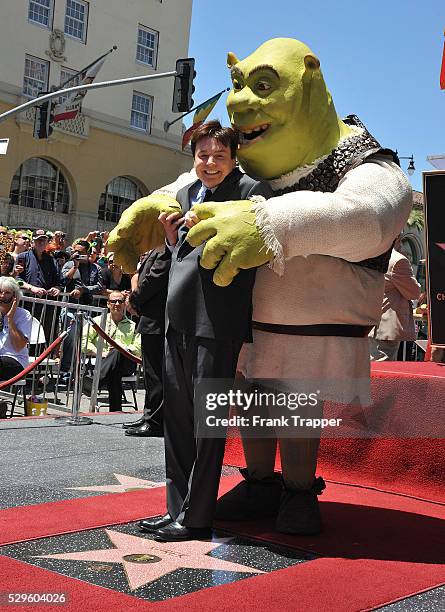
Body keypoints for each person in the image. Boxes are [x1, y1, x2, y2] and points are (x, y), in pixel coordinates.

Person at [108, 39, 413, 537]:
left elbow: (373, 215)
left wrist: (270, 224)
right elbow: (194, 184)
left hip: (311, 322)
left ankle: (297, 489)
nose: (241, 100)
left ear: (309, 78)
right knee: (251, 398)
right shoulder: (246, 158)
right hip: (239, 313)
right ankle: (259, 482)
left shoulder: (360, 157)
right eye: (238, 85)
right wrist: (146, 208)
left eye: (263, 85)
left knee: (295, 400)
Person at [138, 121, 273, 542]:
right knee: (176, 421)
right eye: (202, 155)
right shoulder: (183, 195)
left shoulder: (253, 193)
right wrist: (171, 236)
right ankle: (175, 509)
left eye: (218, 156)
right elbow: (180, 255)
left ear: (233, 157)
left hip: (218, 323)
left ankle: (197, 518)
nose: (209, 163)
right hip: (175, 317)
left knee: (206, 425)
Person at [124, 248, 170, 437]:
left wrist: (134, 299)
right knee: (150, 375)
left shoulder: (165, 249)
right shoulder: (156, 249)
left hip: (157, 320)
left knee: (156, 375)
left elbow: (154, 279)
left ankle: (156, 421)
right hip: (150, 319)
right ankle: (149, 416)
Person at [83, 290, 141, 412]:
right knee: (114, 372)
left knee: (118, 350)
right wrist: (99, 352)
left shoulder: (132, 325)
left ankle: (95, 381)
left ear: (125, 304)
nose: (117, 304)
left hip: (127, 362)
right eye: (113, 301)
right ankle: (115, 411)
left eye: (120, 301)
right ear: (108, 304)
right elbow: (83, 341)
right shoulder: (98, 321)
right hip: (103, 361)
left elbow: (139, 347)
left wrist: (123, 349)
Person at [369, 238, 421, 361]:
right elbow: (413, 292)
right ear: (397, 239)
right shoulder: (398, 260)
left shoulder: (370, 256)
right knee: (384, 368)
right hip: (386, 327)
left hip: (370, 322)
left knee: (372, 367)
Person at [59, 240, 103, 377]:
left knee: (85, 341)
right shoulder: (69, 264)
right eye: (75, 251)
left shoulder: (96, 268)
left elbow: (99, 287)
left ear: (88, 253)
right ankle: (65, 372)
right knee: (70, 339)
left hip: (88, 309)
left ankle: (81, 373)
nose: (77, 254)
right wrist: (75, 267)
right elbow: (63, 280)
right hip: (70, 308)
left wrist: (84, 290)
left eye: (81, 252)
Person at [17, 229, 62, 348]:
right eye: (38, 240)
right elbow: (17, 281)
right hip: (27, 303)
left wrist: (57, 288)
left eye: (44, 240)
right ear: (33, 242)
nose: (41, 243)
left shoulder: (52, 260)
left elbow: (59, 282)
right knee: (26, 332)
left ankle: (42, 362)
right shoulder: (23, 257)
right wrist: (31, 288)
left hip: (47, 305)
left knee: (45, 334)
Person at [0, 277, 32, 418]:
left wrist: (10, 319)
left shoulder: (23, 315)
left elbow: (19, 346)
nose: (2, 296)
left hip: (15, 360)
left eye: (6, 293)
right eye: (0, 292)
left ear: (14, 296)